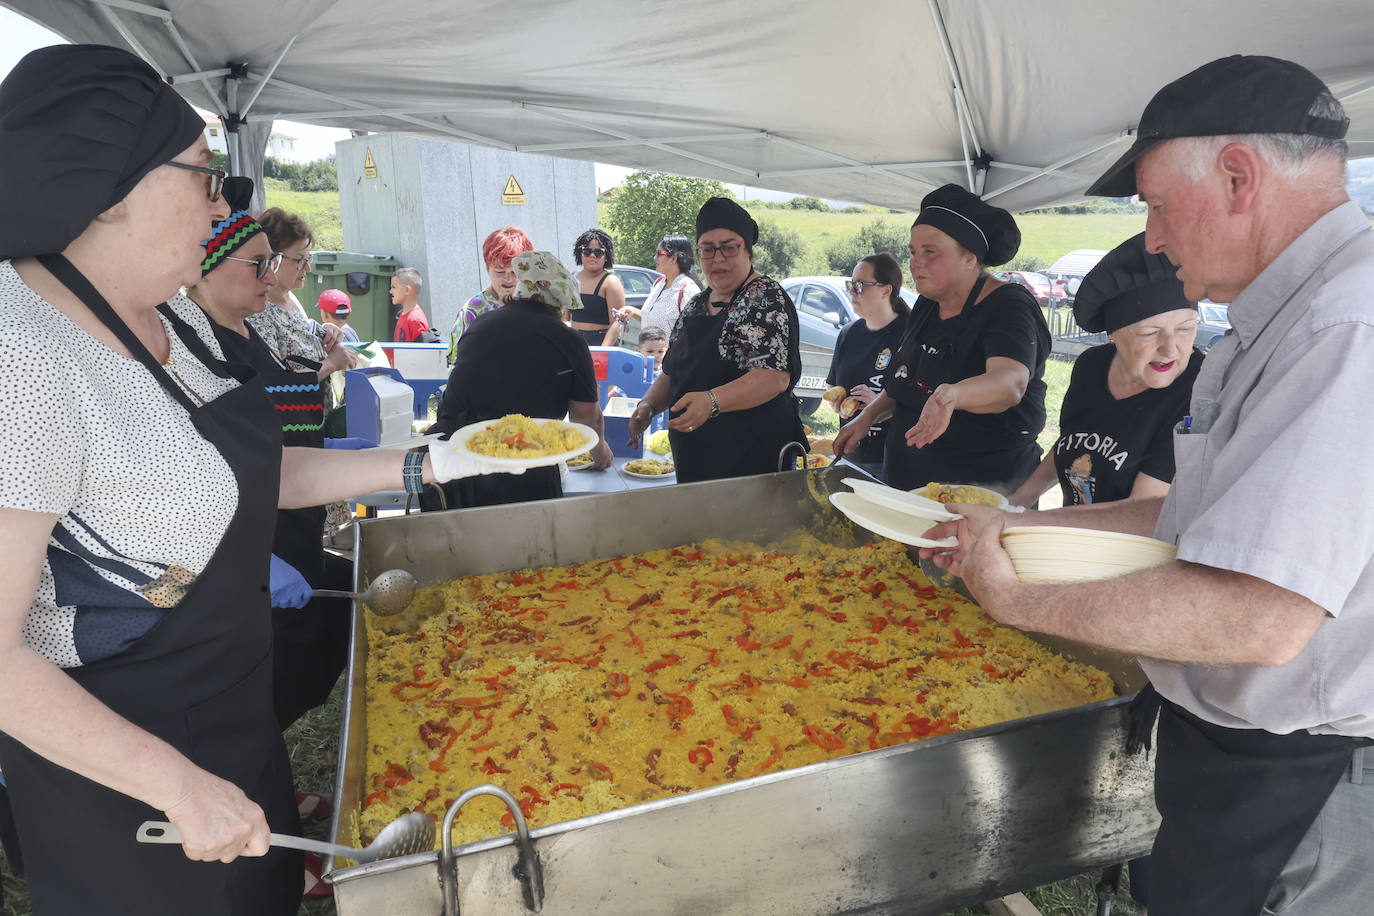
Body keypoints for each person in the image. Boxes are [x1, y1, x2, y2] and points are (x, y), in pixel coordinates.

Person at [0, 44, 509, 915]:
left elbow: (257, 472)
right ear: (113, 190)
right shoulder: (25, 356)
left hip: (235, 707)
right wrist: (173, 781)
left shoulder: (169, 313)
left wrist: (430, 460)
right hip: (128, 762)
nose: (224, 202)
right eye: (202, 172)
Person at [922, 55, 1374, 916]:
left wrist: (1019, 600)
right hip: (1246, 753)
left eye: (1159, 208)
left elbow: (1259, 612)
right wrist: (1008, 529)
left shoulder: (1345, 325)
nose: (1155, 240)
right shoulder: (1290, 318)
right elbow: (1193, 515)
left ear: (1239, 176)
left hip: (1305, 768)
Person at [833, 184, 1050, 494]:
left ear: (970, 258)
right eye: (913, 252)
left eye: (930, 252)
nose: (915, 262)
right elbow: (903, 384)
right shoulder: (927, 305)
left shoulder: (1008, 306)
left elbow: (1010, 383)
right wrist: (867, 417)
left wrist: (952, 395)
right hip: (909, 491)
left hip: (981, 496)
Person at [1010, 233, 1203, 509]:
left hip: (1132, 547)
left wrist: (1026, 523)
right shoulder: (1092, 366)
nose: (1170, 349)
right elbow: (1070, 444)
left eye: (1186, 329)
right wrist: (1017, 501)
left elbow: (1140, 510)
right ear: (1113, 334)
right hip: (1072, 536)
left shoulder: (1198, 390)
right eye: (1150, 333)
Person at [627, 197, 806, 483]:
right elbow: (673, 371)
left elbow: (774, 377)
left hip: (752, 462)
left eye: (729, 247)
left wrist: (712, 401)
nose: (718, 258)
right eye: (708, 250)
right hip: (696, 461)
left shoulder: (766, 299)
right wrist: (648, 405)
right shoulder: (697, 304)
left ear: (748, 250)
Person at [425, 250, 614, 511]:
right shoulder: (568, 341)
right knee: (528, 546)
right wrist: (600, 452)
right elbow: (586, 418)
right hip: (522, 468)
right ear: (560, 303)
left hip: (451, 461)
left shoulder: (481, 324)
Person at [824, 253, 910, 480]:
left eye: (860, 286)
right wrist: (838, 403)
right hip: (851, 456)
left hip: (893, 461)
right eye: (851, 284)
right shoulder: (848, 333)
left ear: (886, 290)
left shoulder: (910, 333)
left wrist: (878, 407)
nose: (852, 292)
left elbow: (920, 398)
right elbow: (833, 385)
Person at [448, 225, 534, 365]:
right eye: (500, 272)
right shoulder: (473, 311)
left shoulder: (537, 305)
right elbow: (454, 363)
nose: (507, 279)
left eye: (514, 273)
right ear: (488, 269)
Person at [619, 235, 701, 338]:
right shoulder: (659, 283)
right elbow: (654, 320)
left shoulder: (687, 291)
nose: (654, 258)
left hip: (673, 354)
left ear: (674, 258)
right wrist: (633, 311)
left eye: (659, 254)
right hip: (649, 353)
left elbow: (695, 334)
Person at [567, 228, 626, 346]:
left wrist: (603, 351)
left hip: (601, 343)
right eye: (587, 251)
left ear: (606, 256)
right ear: (580, 253)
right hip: (575, 343)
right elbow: (565, 317)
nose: (592, 255)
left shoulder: (611, 283)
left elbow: (617, 323)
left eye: (598, 252)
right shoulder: (572, 279)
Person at [390, 266, 434, 342]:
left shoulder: (415, 320)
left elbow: (422, 352)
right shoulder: (402, 314)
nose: (390, 291)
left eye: (394, 287)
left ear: (407, 290)